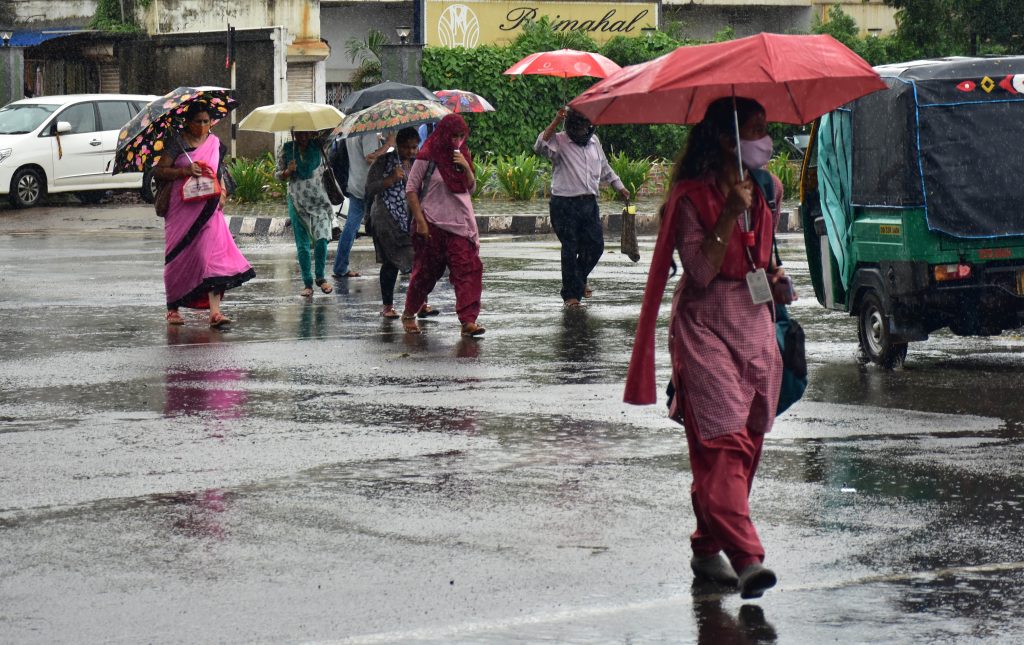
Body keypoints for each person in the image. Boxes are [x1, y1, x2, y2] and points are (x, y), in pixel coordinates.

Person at [624, 97, 791, 600]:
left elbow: (758, 259)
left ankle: (706, 546)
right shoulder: (691, 198)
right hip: (705, 331)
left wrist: (777, 279)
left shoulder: (770, 189)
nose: (766, 141)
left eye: (767, 130)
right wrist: (728, 216)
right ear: (725, 139)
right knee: (723, 447)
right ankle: (747, 557)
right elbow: (699, 270)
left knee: (746, 446)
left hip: (756, 329)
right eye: (756, 131)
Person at [156, 102, 254, 327]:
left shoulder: (215, 144)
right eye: (197, 121)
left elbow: (219, 171)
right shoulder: (176, 143)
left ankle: (215, 312)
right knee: (179, 257)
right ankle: (173, 308)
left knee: (214, 256)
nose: (202, 126)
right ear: (188, 122)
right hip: (181, 209)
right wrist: (184, 171)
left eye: (206, 121)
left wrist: (223, 191)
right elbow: (160, 171)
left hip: (210, 208)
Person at [535, 108, 631, 309]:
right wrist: (555, 120)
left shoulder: (595, 142)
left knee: (596, 246)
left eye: (583, 127)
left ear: (589, 126)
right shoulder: (560, 141)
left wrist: (619, 186)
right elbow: (540, 145)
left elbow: (604, 167)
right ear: (569, 127)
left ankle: (578, 281)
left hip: (588, 203)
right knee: (570, 248)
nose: (579, 131)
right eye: (575, 128)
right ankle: (571, 295)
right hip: (564, 203)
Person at [402, 114, 485, 337]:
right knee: (425, 273)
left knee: (467, 270)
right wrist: (420, 221)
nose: (457, 141)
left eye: (461, 136)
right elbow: (411, 188)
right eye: (454, 136)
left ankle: (468, 321)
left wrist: (466, 168)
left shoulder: (462, 154)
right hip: (432, 223)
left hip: (460, 224)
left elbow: (470, 188)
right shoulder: (428, 154)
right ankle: (409, 313)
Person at [365, 127, 440, 320]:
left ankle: (421, 302)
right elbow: (370, 188)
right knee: (391, 262)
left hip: (411, 218)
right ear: (398, 145)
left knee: (420, 260)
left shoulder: (418, 163)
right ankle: (388, 306)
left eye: (415, 147)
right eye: (407, 148)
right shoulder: (383, 162)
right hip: (387, 219)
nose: (412, 152)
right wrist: (390, 179)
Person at [275, 131, 336, 297]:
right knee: (302, 245)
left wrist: (319, 132)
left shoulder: (319, 145)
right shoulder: (287, 149)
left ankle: (321, 278)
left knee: (322, 239)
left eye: (306, 132)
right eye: (299, 133)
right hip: (297, 202)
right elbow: (278, 174)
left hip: (320, 202)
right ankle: (308, 283)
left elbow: (334, 131)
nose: (303, 136)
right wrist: (288, 171)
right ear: (294, 133)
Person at [333, 130, 395, 278]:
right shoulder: (368, 133)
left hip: (355, 183)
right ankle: (396, 261)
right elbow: (370, 158)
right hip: (368, 184)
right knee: (388, 221)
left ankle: (340, 266)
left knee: (351, 225)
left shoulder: (353, 131)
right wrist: (388, 144)